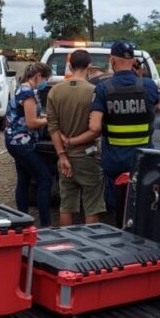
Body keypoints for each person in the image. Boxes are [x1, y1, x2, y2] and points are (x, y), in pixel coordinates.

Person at [89, 41, 160, 227]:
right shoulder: (149, 85)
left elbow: (95, 126)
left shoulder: (104, 88)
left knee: (117, 209)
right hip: (143, 159)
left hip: (115, 161)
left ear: (112, 59)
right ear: (134, 61)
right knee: (141, 207)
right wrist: (140, 76)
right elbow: (156, 108)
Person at [46, 50, 104, 226]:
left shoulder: (55, 91)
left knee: (66, 205)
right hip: (88, 157)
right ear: (89, 66)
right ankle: (91, 245)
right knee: (92, 205)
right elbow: (96, 129)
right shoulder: (95, 91)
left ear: (70, 66)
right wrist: (73, 142)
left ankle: (66, 246)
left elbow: (52, 126)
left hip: (65, 158)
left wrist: (62, 155)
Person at [4, 62, 54, 226]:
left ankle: (22, 221)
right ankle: (45, 223)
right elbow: (31, 122)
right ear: (39, 76)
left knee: (24, 179)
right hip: (22, 142)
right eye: (46, 78)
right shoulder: (28, 94)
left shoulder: (22, 88)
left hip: (14, 140)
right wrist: (50, 120)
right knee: (44, 178)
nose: (46, 82)